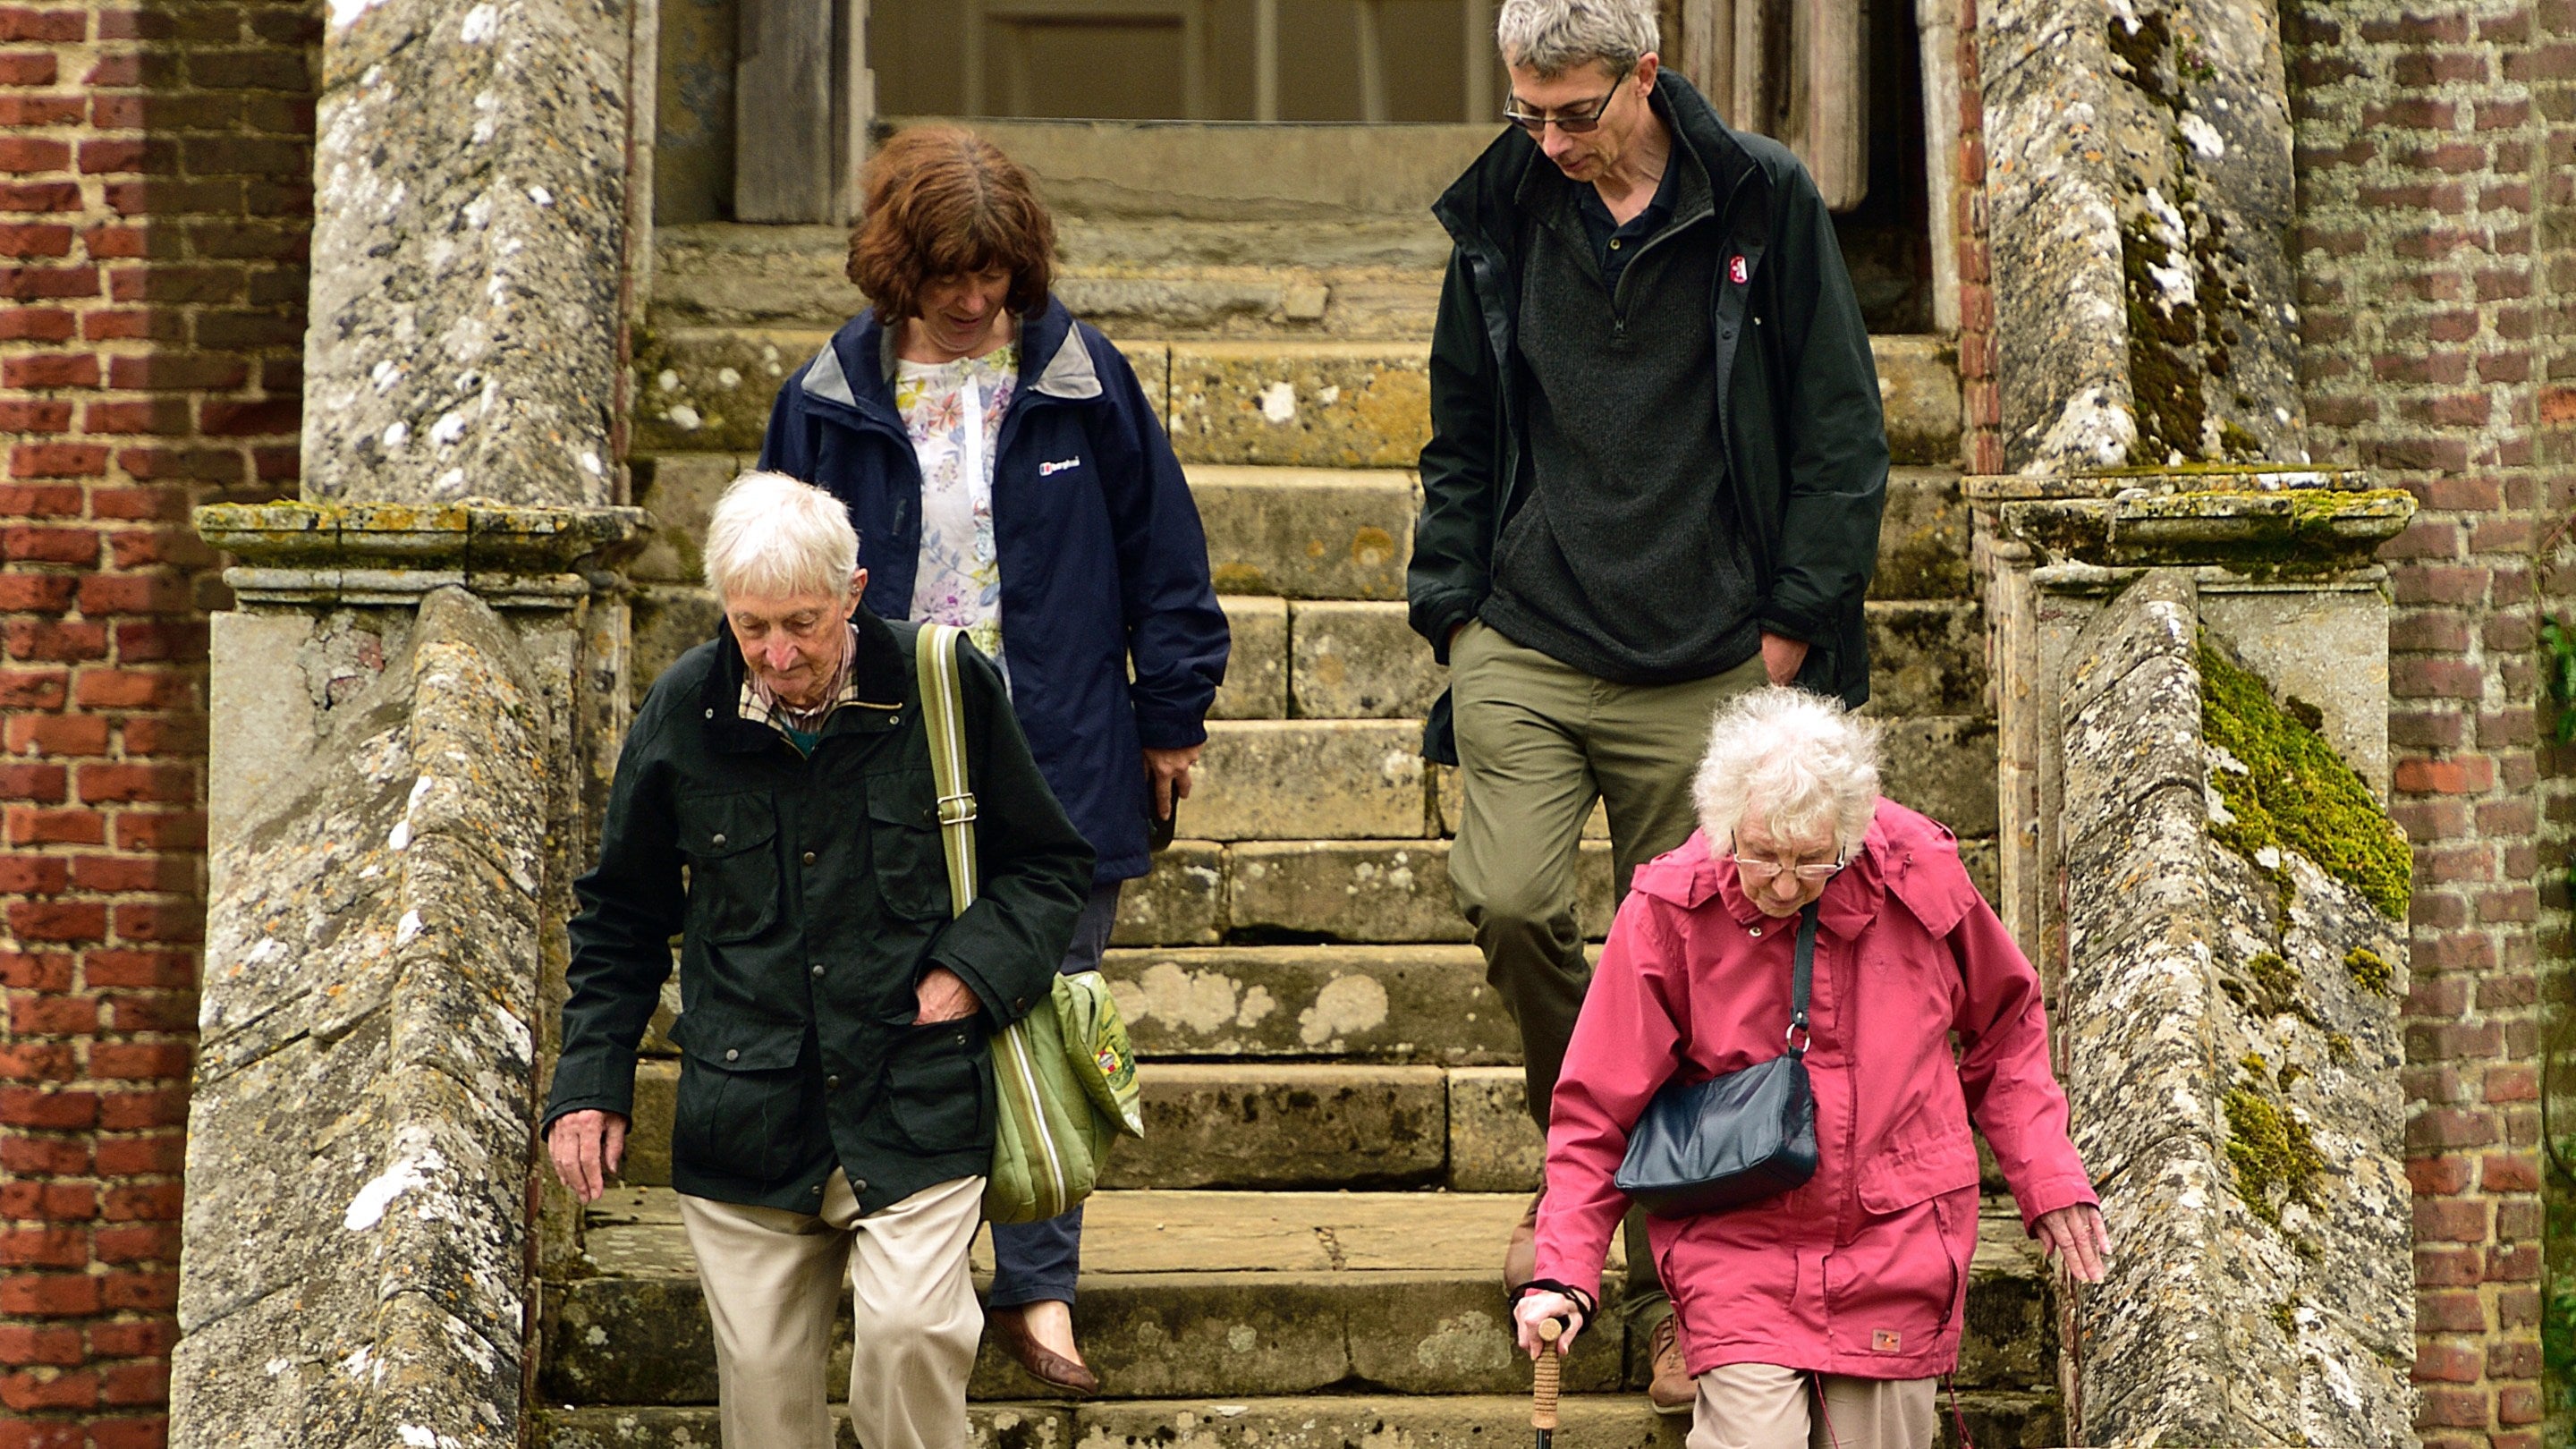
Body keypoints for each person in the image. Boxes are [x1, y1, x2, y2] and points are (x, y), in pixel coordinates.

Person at [1408, 0, 1891, 1408]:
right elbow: (1462, 425)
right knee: (1507, 902)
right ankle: (1597, 1183)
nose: (1549, 139)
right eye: (1528, 111)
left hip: (1714, 660)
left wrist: (1791, 634)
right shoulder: (1505, 206)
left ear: (1647, 75)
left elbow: (1839, 428)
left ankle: (1696, 1281)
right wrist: (1456, 612)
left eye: (1576, 111)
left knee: (1705, 983)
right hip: (1531, 636)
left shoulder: (1763, 197)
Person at [758, 125, 1229, 1395]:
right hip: (878, 762)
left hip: (1057, 756)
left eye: (996, 278)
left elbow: (1165, 558)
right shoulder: (824, 399)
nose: (974, 302)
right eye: (949, 278)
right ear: (894, 267)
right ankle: (908, 1278)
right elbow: (765, 577)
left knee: (1043, 1013)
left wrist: (1172, 718)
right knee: (894, 1015)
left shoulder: (1081, 376)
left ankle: (1040, 1291)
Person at [540, 470, 1096, 1449]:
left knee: (914, 1332)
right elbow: (620, 913)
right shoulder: (681, 712)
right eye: (752, 627)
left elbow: (1049, 866)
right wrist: (590, 1081)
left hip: (915, 1094)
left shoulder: (943, 683)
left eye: (801, 622)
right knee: (762, 1400)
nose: (778, 654)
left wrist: (970, 970)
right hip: (746, 1115)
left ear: (854, 591)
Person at [1509, 689, 2110, 1448]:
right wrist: (1563, 1270)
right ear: (1721, 823)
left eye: (1811, 860)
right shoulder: (1669, 906)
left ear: (1854, 833)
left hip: (1897, 1234)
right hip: (1738, 1242)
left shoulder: (1917, 870)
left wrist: (2047, 1174)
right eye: (1762, 856)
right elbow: (1596, 1105)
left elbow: (2006, 1022)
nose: (1786, 885)